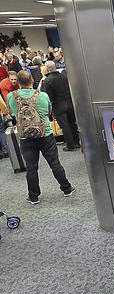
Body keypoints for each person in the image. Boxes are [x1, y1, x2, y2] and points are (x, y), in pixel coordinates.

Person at [7, 71, 75, 204]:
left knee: (31, 168)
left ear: (18, 82)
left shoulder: (11, 96)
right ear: (32, 80)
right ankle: (66, 189)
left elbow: (11, 111)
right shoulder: (42, 96)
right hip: (45, 135)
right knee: (54, 163)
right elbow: (49, 112)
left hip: (25, 137)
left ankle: (33, 197)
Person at [41, 61, 80, 151]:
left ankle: (70, 145)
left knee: (64, 125)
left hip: (58, 105)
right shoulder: (63, 76)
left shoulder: (47, 81)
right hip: (69, 102)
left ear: (47, 69)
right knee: (72, 123)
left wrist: (50, 110)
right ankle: (76, 142)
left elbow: (49, 97)